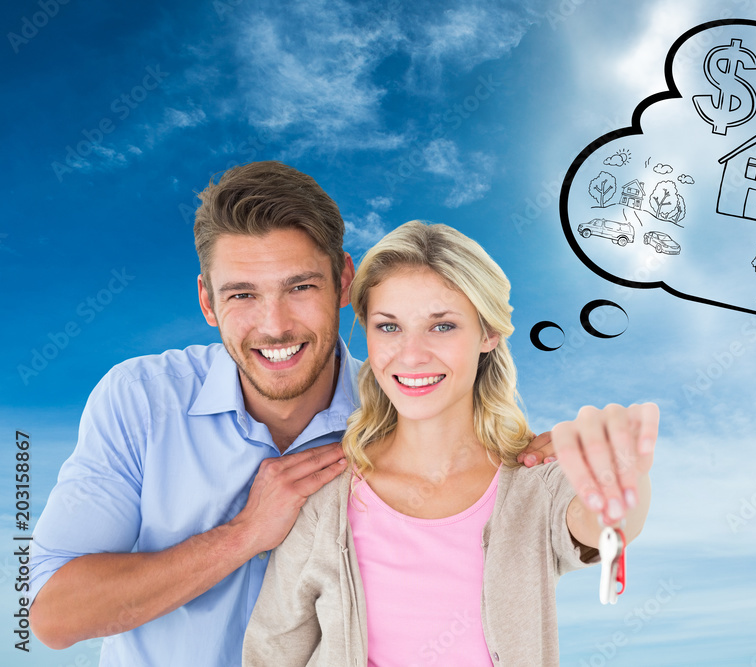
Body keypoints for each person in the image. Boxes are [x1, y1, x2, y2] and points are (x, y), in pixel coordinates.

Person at [27, 162, 650, 666]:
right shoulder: (140, 399)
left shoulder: (408, 411)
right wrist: (245, 535)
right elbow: (54, 619)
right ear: (207, 302)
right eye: (242, 294)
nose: (274, 325)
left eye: (300, 287)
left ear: (342, 282)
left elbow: (575, 529)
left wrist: (602, 480)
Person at [243, 221, 657, 665]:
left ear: (488, 333)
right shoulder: (325, 498)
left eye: (441, 327)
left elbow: (604, 524)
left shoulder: (535, 483)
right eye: (388, 327)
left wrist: (622, 477)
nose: (412, 354)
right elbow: (271, 651)